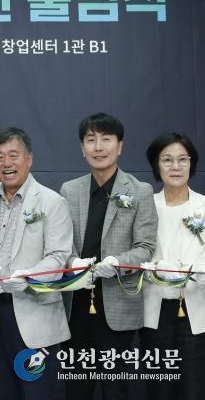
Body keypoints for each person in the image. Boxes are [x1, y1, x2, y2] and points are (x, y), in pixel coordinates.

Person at [60, 113, 157, 400]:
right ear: (82, 148)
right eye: (91, 140)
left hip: (118, 305)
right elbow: (60, 244)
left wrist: (118, 263)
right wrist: (71, 262)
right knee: (76, 388)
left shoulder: (139, 191)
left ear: (120, 146)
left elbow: (145, 247)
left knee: (115, 389)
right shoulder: (69, 190)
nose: (98, 147)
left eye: (106, 139)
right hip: (76, 305)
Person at [0, 128, 72, 400]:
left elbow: (58, 256)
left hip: (34, 315)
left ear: (29, 158)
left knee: (36, 392)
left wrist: (29, 275)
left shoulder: (52, 202)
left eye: (13, 155)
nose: (7, 163)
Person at [141, 132, 205, 400]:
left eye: (182, 159)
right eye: (167, 160)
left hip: (195, 310)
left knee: (193, 389)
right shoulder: (146, 206)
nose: (175, 166)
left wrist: (188, 270)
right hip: (155, 311)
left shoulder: (203, 206)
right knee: (159, 389)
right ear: (157, 165)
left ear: (192, 163)